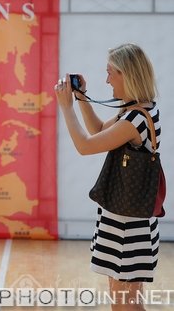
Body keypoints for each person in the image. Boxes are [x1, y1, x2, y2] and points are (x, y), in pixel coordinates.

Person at [55, 43, 160, 311]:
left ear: (127, 74)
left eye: (110, 72)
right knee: (124, 303)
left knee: (126, 305)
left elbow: (85, 146)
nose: (107, 79)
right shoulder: (139, 109)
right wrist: (82, 98)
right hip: (127, 216)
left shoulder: (136, 118)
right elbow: (98, 130)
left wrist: (66, 108)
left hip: (128, 223)